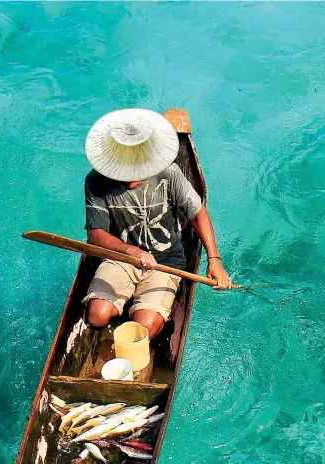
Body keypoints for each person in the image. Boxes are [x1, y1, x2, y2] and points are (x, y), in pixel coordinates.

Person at [83, 108, 232, 338]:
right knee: (97, 315)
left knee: (145, 329)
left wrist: (214, 259)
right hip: (120, 258)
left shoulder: (168, 173)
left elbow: (197, 212)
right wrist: (130, 251)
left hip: (164, 261)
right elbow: (96, 235)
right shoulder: (96, 182)